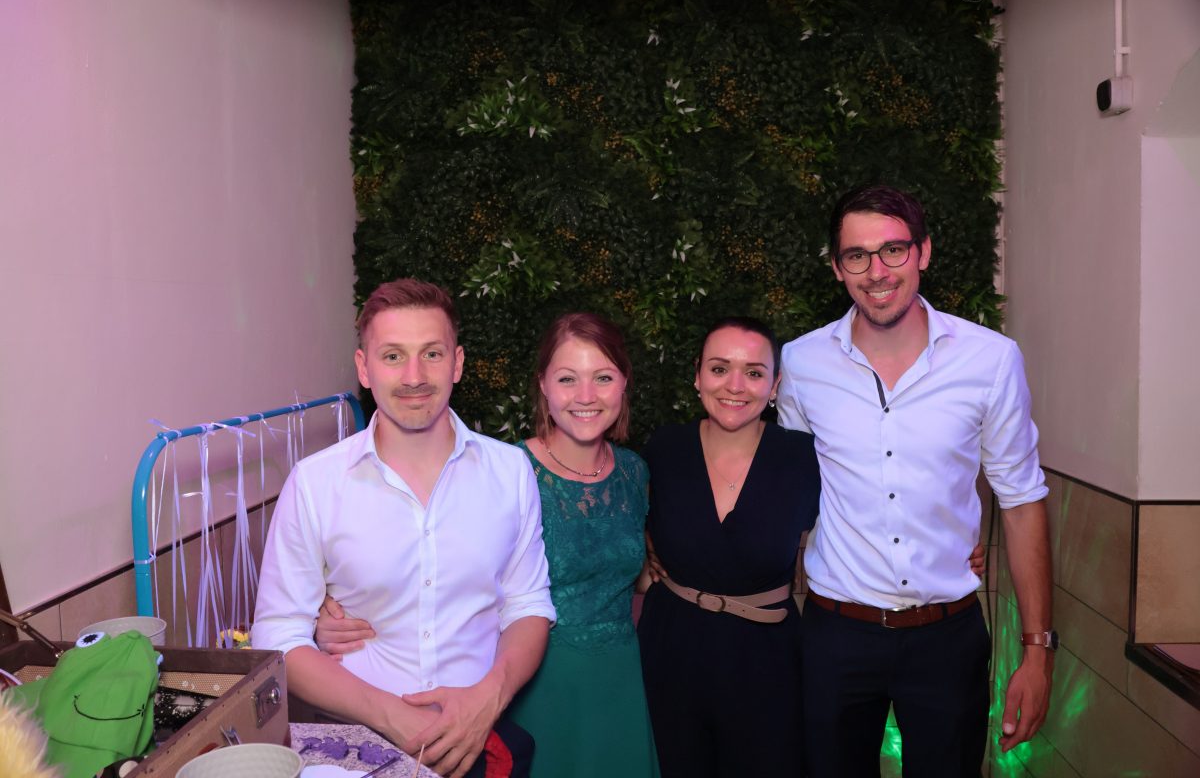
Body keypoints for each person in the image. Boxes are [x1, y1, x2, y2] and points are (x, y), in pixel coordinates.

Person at [777, 184, 1054, 777]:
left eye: (893, 250)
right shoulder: (801, 363)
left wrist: (1038, 651)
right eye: (857, 255)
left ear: (923, 252)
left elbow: (1022, 500)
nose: (877, 271)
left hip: (946, 639)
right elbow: (790, 490)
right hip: (835, 636)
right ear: (837, 267)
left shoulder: (990, 360)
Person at [318, 312, 659, 778]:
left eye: (603, 377)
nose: (586, 395)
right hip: (530, 686)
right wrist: (323, 612)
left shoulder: (635, 472)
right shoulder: (506, 470)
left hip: (619, 681)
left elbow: (630, 569)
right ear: (543, 385)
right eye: (567, 378)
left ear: (624, 384)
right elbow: (431, 563)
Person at [251, 278, 556, 778]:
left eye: (432, 354)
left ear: (457, 363)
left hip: (480, 742)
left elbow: (528, 604)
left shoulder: (509, 472)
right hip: (356, 754)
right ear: (364, 368)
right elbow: (279, 634)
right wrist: (392, 716)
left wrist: (488, 696)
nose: (414, 376)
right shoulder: (315, 483)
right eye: (393, 356)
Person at [636, 317, 820, 777]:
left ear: (774, 385)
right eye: (719, 369)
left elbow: (865, 522)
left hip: (768, 662)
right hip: (671, 650)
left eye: (754, 373)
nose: (735, 386)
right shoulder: (663, 448)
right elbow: (621, 520)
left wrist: (954, 549)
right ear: (697, 376)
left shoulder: (804, 457)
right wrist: (642, 555)